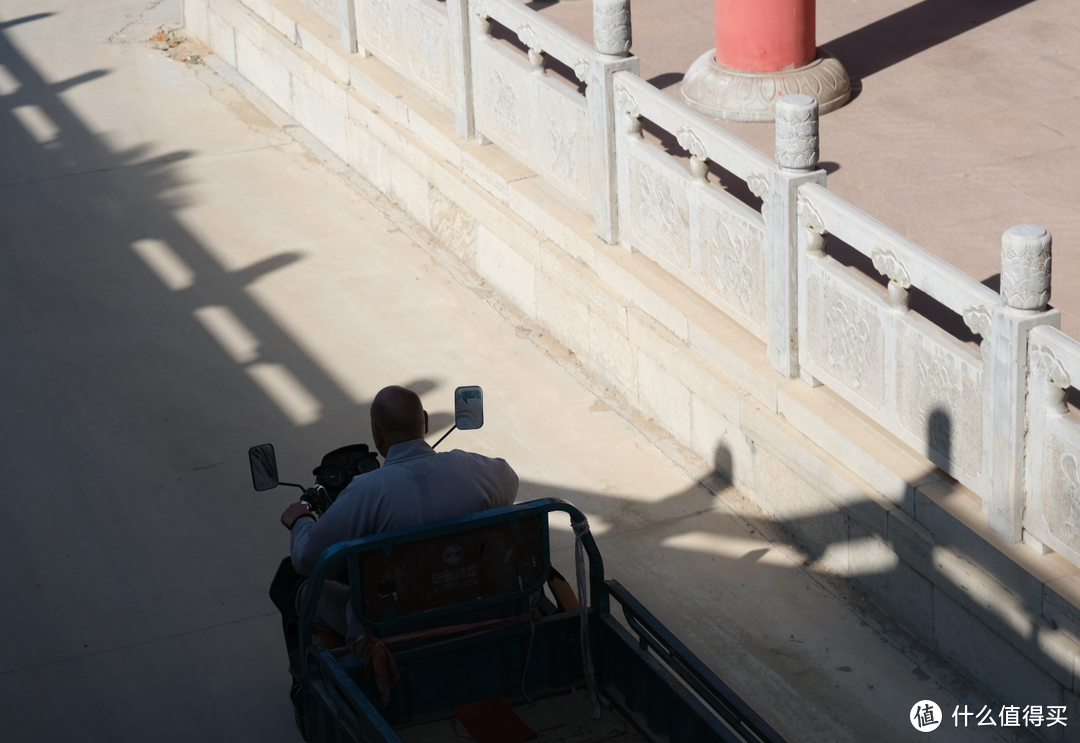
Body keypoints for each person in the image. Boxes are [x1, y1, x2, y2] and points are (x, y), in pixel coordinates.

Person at [278, 385, 519, 654]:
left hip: (390, 628)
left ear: (376, 434)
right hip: (476, 606)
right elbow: (510, 480)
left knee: (297, 586)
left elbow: (308, 560)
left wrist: (299, 520)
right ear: (425, 422)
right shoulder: (476, 469)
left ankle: (309, 678)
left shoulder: (365, 490)